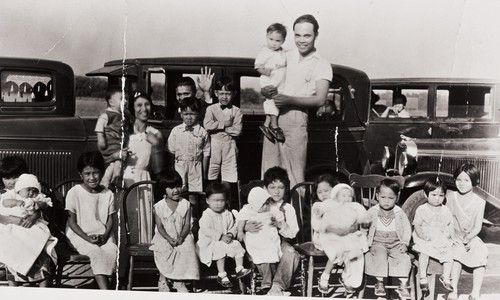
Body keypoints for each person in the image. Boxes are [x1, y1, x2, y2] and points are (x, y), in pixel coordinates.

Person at [261, 14, 332, 187]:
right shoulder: (285, 55)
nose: (301, 40)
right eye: (297, 35)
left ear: (316, 35)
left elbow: (320, 99)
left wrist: (289, 100)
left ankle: (295, 214)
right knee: (269, 173)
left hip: (296, 119)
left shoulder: (322, 64)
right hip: (272, 119)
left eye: (307, 35)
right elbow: (270, 78)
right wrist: (265, 90)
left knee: (293, 176)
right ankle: (270, 214)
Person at [244, 166, 300, 296]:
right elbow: (241, 219)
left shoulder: (288, 208)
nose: (276, 192)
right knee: (265, 252)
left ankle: (277, 286)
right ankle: (271, 286)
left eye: (281, 187)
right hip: (260, 241)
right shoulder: (256, 205)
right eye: (272, 187)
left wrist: (281, 225)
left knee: (291, 253)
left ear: (286, 189)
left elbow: (293, 232)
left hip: (280, 241)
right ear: (265, 189)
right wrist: (245, 227)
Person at [65, 152, 117, 289]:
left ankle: (104, 285)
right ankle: (105, 291)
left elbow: (111, 220)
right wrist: (88, 238)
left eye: (95, 173)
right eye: (87, 174)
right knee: (96, 253)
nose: (92, 178)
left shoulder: (108, 194)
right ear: (80, 175)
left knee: (112, 252)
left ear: (103, 172)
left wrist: (105, 237)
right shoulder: (74, 192)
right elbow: (72, 222)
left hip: (103, 236)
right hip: (79, 235)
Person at [312, 183, 371, 294]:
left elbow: (362, 214)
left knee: (355, 250)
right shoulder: (329, 204)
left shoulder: (353, 205)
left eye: (349, 196)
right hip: (329, 235)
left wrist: (363, 220)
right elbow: (320, 215)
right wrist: (319, 212)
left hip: (347, 235)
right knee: (337, 250)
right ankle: (325, 276)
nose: (347, 198)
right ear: (336, 196)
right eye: (343, 196)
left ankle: (347, 277)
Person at [0, 173, 57, 287]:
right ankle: (14, 286)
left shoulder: (36, 197)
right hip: (12, 227)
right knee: (12, 246)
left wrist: (36, 209)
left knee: (40, 246)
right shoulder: (10, 195)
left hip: (33, 227)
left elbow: (45, 205)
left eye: (34, 190)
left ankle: (43, 286)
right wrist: (15, 207)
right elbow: (4, 205)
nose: (12, 182)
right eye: (7, 178)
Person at [123, 91, 165, 243]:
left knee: (143, 217)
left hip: (144, 179)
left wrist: (157, 147)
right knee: (127, 217)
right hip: (126, 178)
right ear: (132, 109)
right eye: (139, 105)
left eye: (147, 104)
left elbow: (158, 168)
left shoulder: (156, 133)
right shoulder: (124, 132)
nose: (144, 109)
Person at [149, 169, 199, 293]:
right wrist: (168, 238)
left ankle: (179, 281)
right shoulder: (159, 206)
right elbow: (160, 227)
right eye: (171, 187)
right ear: (163, 189)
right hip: (164, 236)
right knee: (164, 250)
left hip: (182, 234)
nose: (176, 190)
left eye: (177, 186)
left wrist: (181, 237)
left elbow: (187, 224)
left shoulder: (186, 204)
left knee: (187, 247)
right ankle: (162, 279)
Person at [197, 182, 251, 288]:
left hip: (225, 240)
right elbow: (206, 230)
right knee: (219, 248)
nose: (218, 204)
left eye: (221, 201)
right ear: (208, 200)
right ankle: (221, 274)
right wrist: (221, 237)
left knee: (236, 244)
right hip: (210, 242)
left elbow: (232, 226)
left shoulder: (227, 214)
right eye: (215, 201)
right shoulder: (206, 215)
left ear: (225, 201)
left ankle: (239, 268)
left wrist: (230, 234)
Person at [365, 178, 412, 299]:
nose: (386, 201)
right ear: (377, 196)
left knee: (404, 258)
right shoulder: (372, 211)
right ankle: (380, 282)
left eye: (391, 198)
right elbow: (363, 227)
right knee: (380, 256)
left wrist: (405, 243)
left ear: (397, 197)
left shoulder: (399, 212)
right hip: (378, 242)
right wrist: (364, 242)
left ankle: (403, 284)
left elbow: (407, 228)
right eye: (383, 197)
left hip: (396, 243)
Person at [447, 164, 488, 300]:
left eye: (466, 180)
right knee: (457, 253)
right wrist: (453, 237)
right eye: (458, 179)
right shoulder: (450, 197)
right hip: (453, 235)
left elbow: (477, 227)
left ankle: (475, 292)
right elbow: (448, 220)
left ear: (474, 181)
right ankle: (453, 291)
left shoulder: (480, 201)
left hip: (471, 236)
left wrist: (468, 238)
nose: (462, 183)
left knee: (480, 250)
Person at [412, 178, 455, 296]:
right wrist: (422, 236)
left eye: (441, 195)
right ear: (426, 194)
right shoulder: (422, 209)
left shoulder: (445, 210)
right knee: (424, 251)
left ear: (445, 196)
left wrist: (451, 236)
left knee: (449, 253)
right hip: (425, 236)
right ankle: (423, 278)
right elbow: (417, 224)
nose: (437, 198)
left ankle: (445, 277)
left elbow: (450, 224)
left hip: (439, 237)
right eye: (434, 194)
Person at [203, 76, 243, 206]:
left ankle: (226, 205)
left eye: (228, 93)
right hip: (214, 144)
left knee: (228, 175)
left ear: (234, 94)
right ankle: (211, 203)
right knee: (212, 173)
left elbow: (237, 131)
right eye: (221, 93)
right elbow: (207, 126)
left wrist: (217, 127)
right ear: (215, 93)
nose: (224, 97)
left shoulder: (237, 111)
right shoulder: (211, 109)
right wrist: (225, 124)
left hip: (229, 145)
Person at [237, 186, 284, 291]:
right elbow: (241, 221)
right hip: (255, 238)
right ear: (255, 204)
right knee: (263, 255)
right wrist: (240, 230)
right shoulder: (248, 210)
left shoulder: (271, 209)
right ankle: (267, 282)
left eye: (267, 204)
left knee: (272, 252)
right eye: (263, 205)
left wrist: (277, 223)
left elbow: (280, 218)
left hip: (268, 238)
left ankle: (271, 282)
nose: (266, 207)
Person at [168, 96, 210, 192]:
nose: (189, 117)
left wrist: (204, 173)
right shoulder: (176, 131)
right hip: (179, 166)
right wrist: (171, 170)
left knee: (194, 195)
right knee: (179, 192)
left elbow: (206, 153)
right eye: (186, 114)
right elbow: (170, 151)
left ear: (198, 114)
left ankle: (193, 207)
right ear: (181, 114)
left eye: (192, 114)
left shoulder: (203, 132)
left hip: (196, 167)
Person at [255, 23, 287, 143]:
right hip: (269, 80)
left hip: (278, 81)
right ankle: (274, 126)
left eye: (278, 40)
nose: (274, 43)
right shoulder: (264, 52)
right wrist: (265, 71)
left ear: (283, 41)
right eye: (271, 39)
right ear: (266, 37)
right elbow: (257, 66)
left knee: (272, 102)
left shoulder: (283, 52)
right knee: (274, 101)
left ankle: (266, 124)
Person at [95, 88, 131, 188]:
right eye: (122, 99)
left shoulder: (125, 115)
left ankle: (108, 179)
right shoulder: (107, 115)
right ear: (111, 102)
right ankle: (115, 178)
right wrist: (100, 138)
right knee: (118, 159)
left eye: (126, 99)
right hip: (109, 143)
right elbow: (100, 127)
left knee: (114, 163)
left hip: (118, 143)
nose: (126, 101)